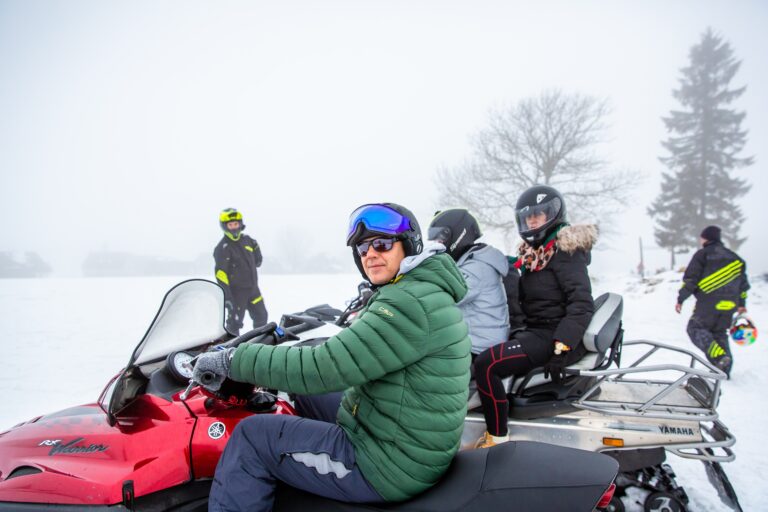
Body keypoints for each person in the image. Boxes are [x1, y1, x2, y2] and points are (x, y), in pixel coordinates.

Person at [195, 203, 471, 512]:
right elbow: (351, 354)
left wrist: (235, 361)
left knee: (253, 437)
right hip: (404, 435)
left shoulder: (407, 304)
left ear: (408, 246)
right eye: (363, 248)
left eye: (381, 244)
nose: (370, 253)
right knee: (303, 392)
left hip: (389, 465)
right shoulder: (417, 289)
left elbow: (324, 367)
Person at [472, 185, 596, 448]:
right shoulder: (536, 255)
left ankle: (496, 437)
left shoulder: (565, 254)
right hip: (536, 331)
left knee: (488, 364)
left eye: (538, 215)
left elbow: (581, 303)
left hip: (555, 338)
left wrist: (562, 346)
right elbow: (517, 273)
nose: (532, 221)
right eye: (528, 217)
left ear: (553, 214)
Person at [428, 208, 510, 355]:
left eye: (441, 239)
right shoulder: (467, 261)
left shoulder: (478, 266)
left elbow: (446, 297)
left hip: (482, 347)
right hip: (471, 340)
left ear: (458, 234)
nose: (438, 244)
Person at [675, 225, 750, 377]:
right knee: (719, 333)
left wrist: (681, 299)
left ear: (706, 238)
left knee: (695, 329)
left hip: (709, 303)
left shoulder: (703, 255)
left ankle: (720, 358)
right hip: (730, 306)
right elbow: (743, 286)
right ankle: (724, 369)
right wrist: (742, 305)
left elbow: (691, 279)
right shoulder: (736, 259)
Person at [213, 208, 268, 335]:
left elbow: (257, 261)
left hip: (253, 289)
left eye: (236, 224)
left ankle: (261, 346)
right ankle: (230, 350)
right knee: (234, 323)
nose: (234, 227)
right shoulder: (222, 248)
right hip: (236, 293)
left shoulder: (248, 241)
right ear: (225, 226)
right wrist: (227, 296)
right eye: (230, 225)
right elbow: (221, 274)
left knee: (262, 316)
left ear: (240, 224)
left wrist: (257, 251)